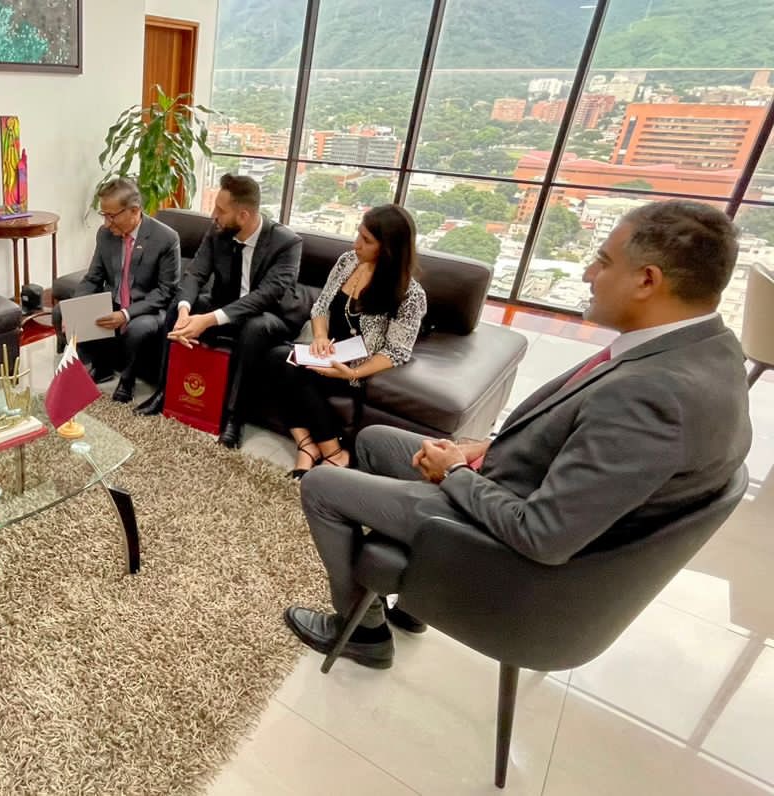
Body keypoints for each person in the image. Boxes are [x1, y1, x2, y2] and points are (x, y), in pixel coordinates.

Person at [285, 200, 752, 669]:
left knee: (323, 486)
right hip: (508, 482)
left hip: (494, 538)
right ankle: (408, 599)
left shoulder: (653, 397)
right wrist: (481, 448)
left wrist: (455, 473)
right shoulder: (706, 350)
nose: (588, 274)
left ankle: (363, 632)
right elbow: (579, 445)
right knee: (374, 441)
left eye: (603, 261)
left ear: (647, 280)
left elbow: (543, 534)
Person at [135, 173, 307, 448]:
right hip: (225, 305)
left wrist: (207, 320)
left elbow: (265, 296)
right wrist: (185, 311)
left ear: (243, 215)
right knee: (177, 308)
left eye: (220, 210)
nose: (213, 215)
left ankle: (235, 418)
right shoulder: (217, 232)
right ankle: (165, 392)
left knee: (254, 326)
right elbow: (195, 274)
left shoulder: (287, 243)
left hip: (271, 315)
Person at [269, 205, 427, 478]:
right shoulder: (347, 262)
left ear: (388, 248)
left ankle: (330, 452)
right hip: (327, 352)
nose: (356, 245)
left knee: (296, 372)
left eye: (366, 240)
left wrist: (352, 373)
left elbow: (396, 351)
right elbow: (321, 306)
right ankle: (312, 447)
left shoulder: (410, 295)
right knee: (275, 357)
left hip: (356, 367)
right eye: (358, 234)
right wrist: (320, 337)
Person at [52, 177, 181, 403]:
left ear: (134, 211)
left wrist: (126, 314)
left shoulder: (165, 238)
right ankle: (101, 367)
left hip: (148, 307)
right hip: (114, 300)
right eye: (104, 215)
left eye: (111, 216)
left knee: (137, 329)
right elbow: (93, 278)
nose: (106, 223)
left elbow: (165, 291)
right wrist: (74, 309)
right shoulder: (105, 235)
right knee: (61, 311)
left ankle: (127, 380)